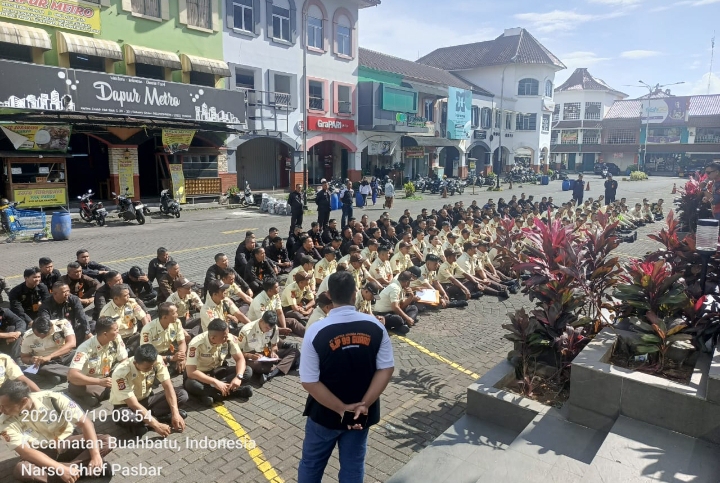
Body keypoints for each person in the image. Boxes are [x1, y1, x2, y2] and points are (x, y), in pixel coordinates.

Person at [298, 271, 394, 483]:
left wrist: (342, 409)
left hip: (325, 414)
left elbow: (309, 381)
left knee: (311, 465)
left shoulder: (315, 331)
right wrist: (363, 404)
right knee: (353, 467)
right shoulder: (376, 326)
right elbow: (386, 369)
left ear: (329, 295)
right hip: (361, 415)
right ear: (354, 294)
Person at [0, 380, 113, 483]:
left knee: (107, 441)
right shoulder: (4, 422)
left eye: (5, 406)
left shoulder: (52, 399)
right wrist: (60, 469)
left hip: (67, 441)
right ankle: (81, 471)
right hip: (41, 453)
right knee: (22, 470)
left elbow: (85, 423)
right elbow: (26, 452)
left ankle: (69, 474)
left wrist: (95, 455)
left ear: (24, 401)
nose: (1, 410)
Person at [110, 343, 188, 437]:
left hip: (147, 400)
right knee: (126, 416)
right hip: (127, 406)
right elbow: (133, 404)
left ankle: (148, 422)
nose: (151, 368)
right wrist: (157, 426)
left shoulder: (157, 360)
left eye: (152, 365)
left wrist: (175, 413)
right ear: (135, 363)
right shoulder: (120, 374)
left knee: (182, 395)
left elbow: (168, 387)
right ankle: (159, 419)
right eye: (147, 367)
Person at [184, 318, 253, 406]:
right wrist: (215, 382)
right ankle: (236, 392)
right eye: (224, 337)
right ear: (213, 337)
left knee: (247, 371)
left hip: (218, 371)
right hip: (200, 375)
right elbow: (191, 372)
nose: (227, 338)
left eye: (227, 334)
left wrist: (238, 377)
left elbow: (240, 359)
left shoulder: (228, 338)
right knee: (191, 384)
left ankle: (210, 395)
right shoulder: (196, 344)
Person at [68, 316, 129, 408]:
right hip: (87, 381)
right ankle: (104, 392)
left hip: (106, 376)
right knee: (75, 387)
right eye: (115, 330)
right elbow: (72, 375)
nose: (118, 331)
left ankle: (99, 394)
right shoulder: (85, 348)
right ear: (105, 334)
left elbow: (124, 360)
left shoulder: (116, 339)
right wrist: (99, 382)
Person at [238, 310, 300, 383]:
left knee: (295, 352)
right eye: (267, 328)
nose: (268, 331)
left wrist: (273, 352)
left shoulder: (274, 328)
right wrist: (251, 356)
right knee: (255, 365)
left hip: (266, 352)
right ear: (261, 321)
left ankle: (272, 373)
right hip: (252, 357)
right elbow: (237, 353)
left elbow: (274, 345)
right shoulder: (246, 330)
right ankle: (279, 369)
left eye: (270, 329)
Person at [19, 315, 76, 385]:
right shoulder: (27, 337)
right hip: (47, 363)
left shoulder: (62, 324)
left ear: (51, 327)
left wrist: (50, 356)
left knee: (80, 354)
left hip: (65, 356)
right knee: (44, 368)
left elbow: (72, 343)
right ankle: (76, 373)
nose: (41, 337)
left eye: (44, 335)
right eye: (37, 335)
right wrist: (31, 360)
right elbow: (24, 357)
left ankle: (58, 374)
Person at [98, 283, 149, 355]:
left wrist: (147, 333)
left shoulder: (131, 302)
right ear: (116, 298)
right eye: (125, 295)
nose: (129, 296)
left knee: (148, 339)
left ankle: (130, 350)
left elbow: (143, 317)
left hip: (134, 335)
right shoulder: (106, 312)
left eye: (128, 294)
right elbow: (105, 333)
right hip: (118, 339)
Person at [140, 302, 187, 376]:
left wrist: (181, 356)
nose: (177, 315)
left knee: (186, 366)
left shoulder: (177, 322)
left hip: (168, 351)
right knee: (151, 370)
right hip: (154, 356)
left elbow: (182, 342)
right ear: (165, 317)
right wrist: (171, 358)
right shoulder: (148, 330)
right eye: (174, 313)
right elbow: (147, 354)